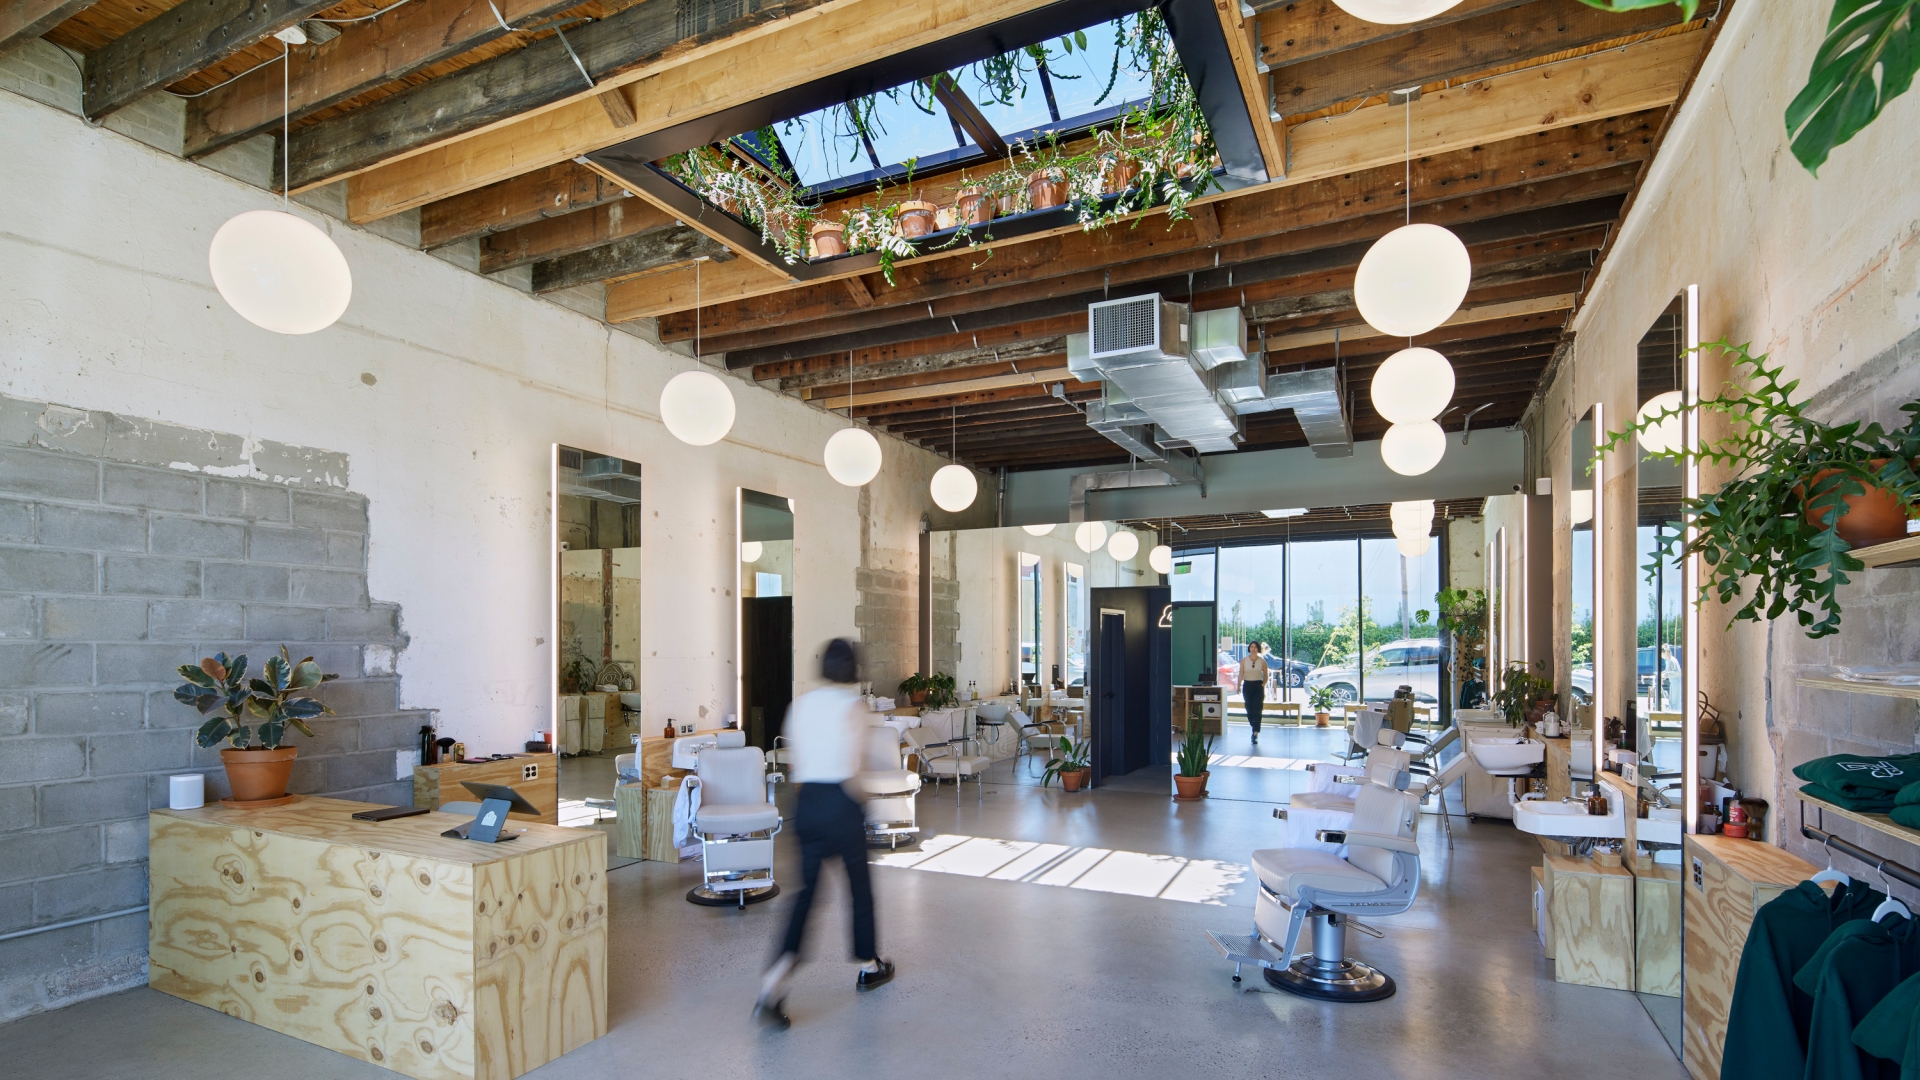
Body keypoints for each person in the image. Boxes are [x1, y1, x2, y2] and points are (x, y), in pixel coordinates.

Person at [753, 639, 894, 1030]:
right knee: (859, 889)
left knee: (804, 899)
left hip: (807, 804)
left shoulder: (798, 706)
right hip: (840, 803)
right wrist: (864, 802)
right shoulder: (854, 708)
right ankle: (869, 965)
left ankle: (771, 987)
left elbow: (798, 763)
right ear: (853, 671)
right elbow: (853, 768)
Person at [1240, 642, 1269, 743]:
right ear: (1249, 648)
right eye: (1251, 647)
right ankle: (1254, 725)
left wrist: (1263, 684)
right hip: (1247, 685)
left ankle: (1255, 732)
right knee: (1249, 708)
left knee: (1257, 708)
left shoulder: (1262, 661)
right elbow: (1240, 674)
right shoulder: (1244, 660)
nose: (1253, 649)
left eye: (1255, 647)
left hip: (1258, 686)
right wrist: (1238, 685)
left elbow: (1266, 675)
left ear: (1258, 649)